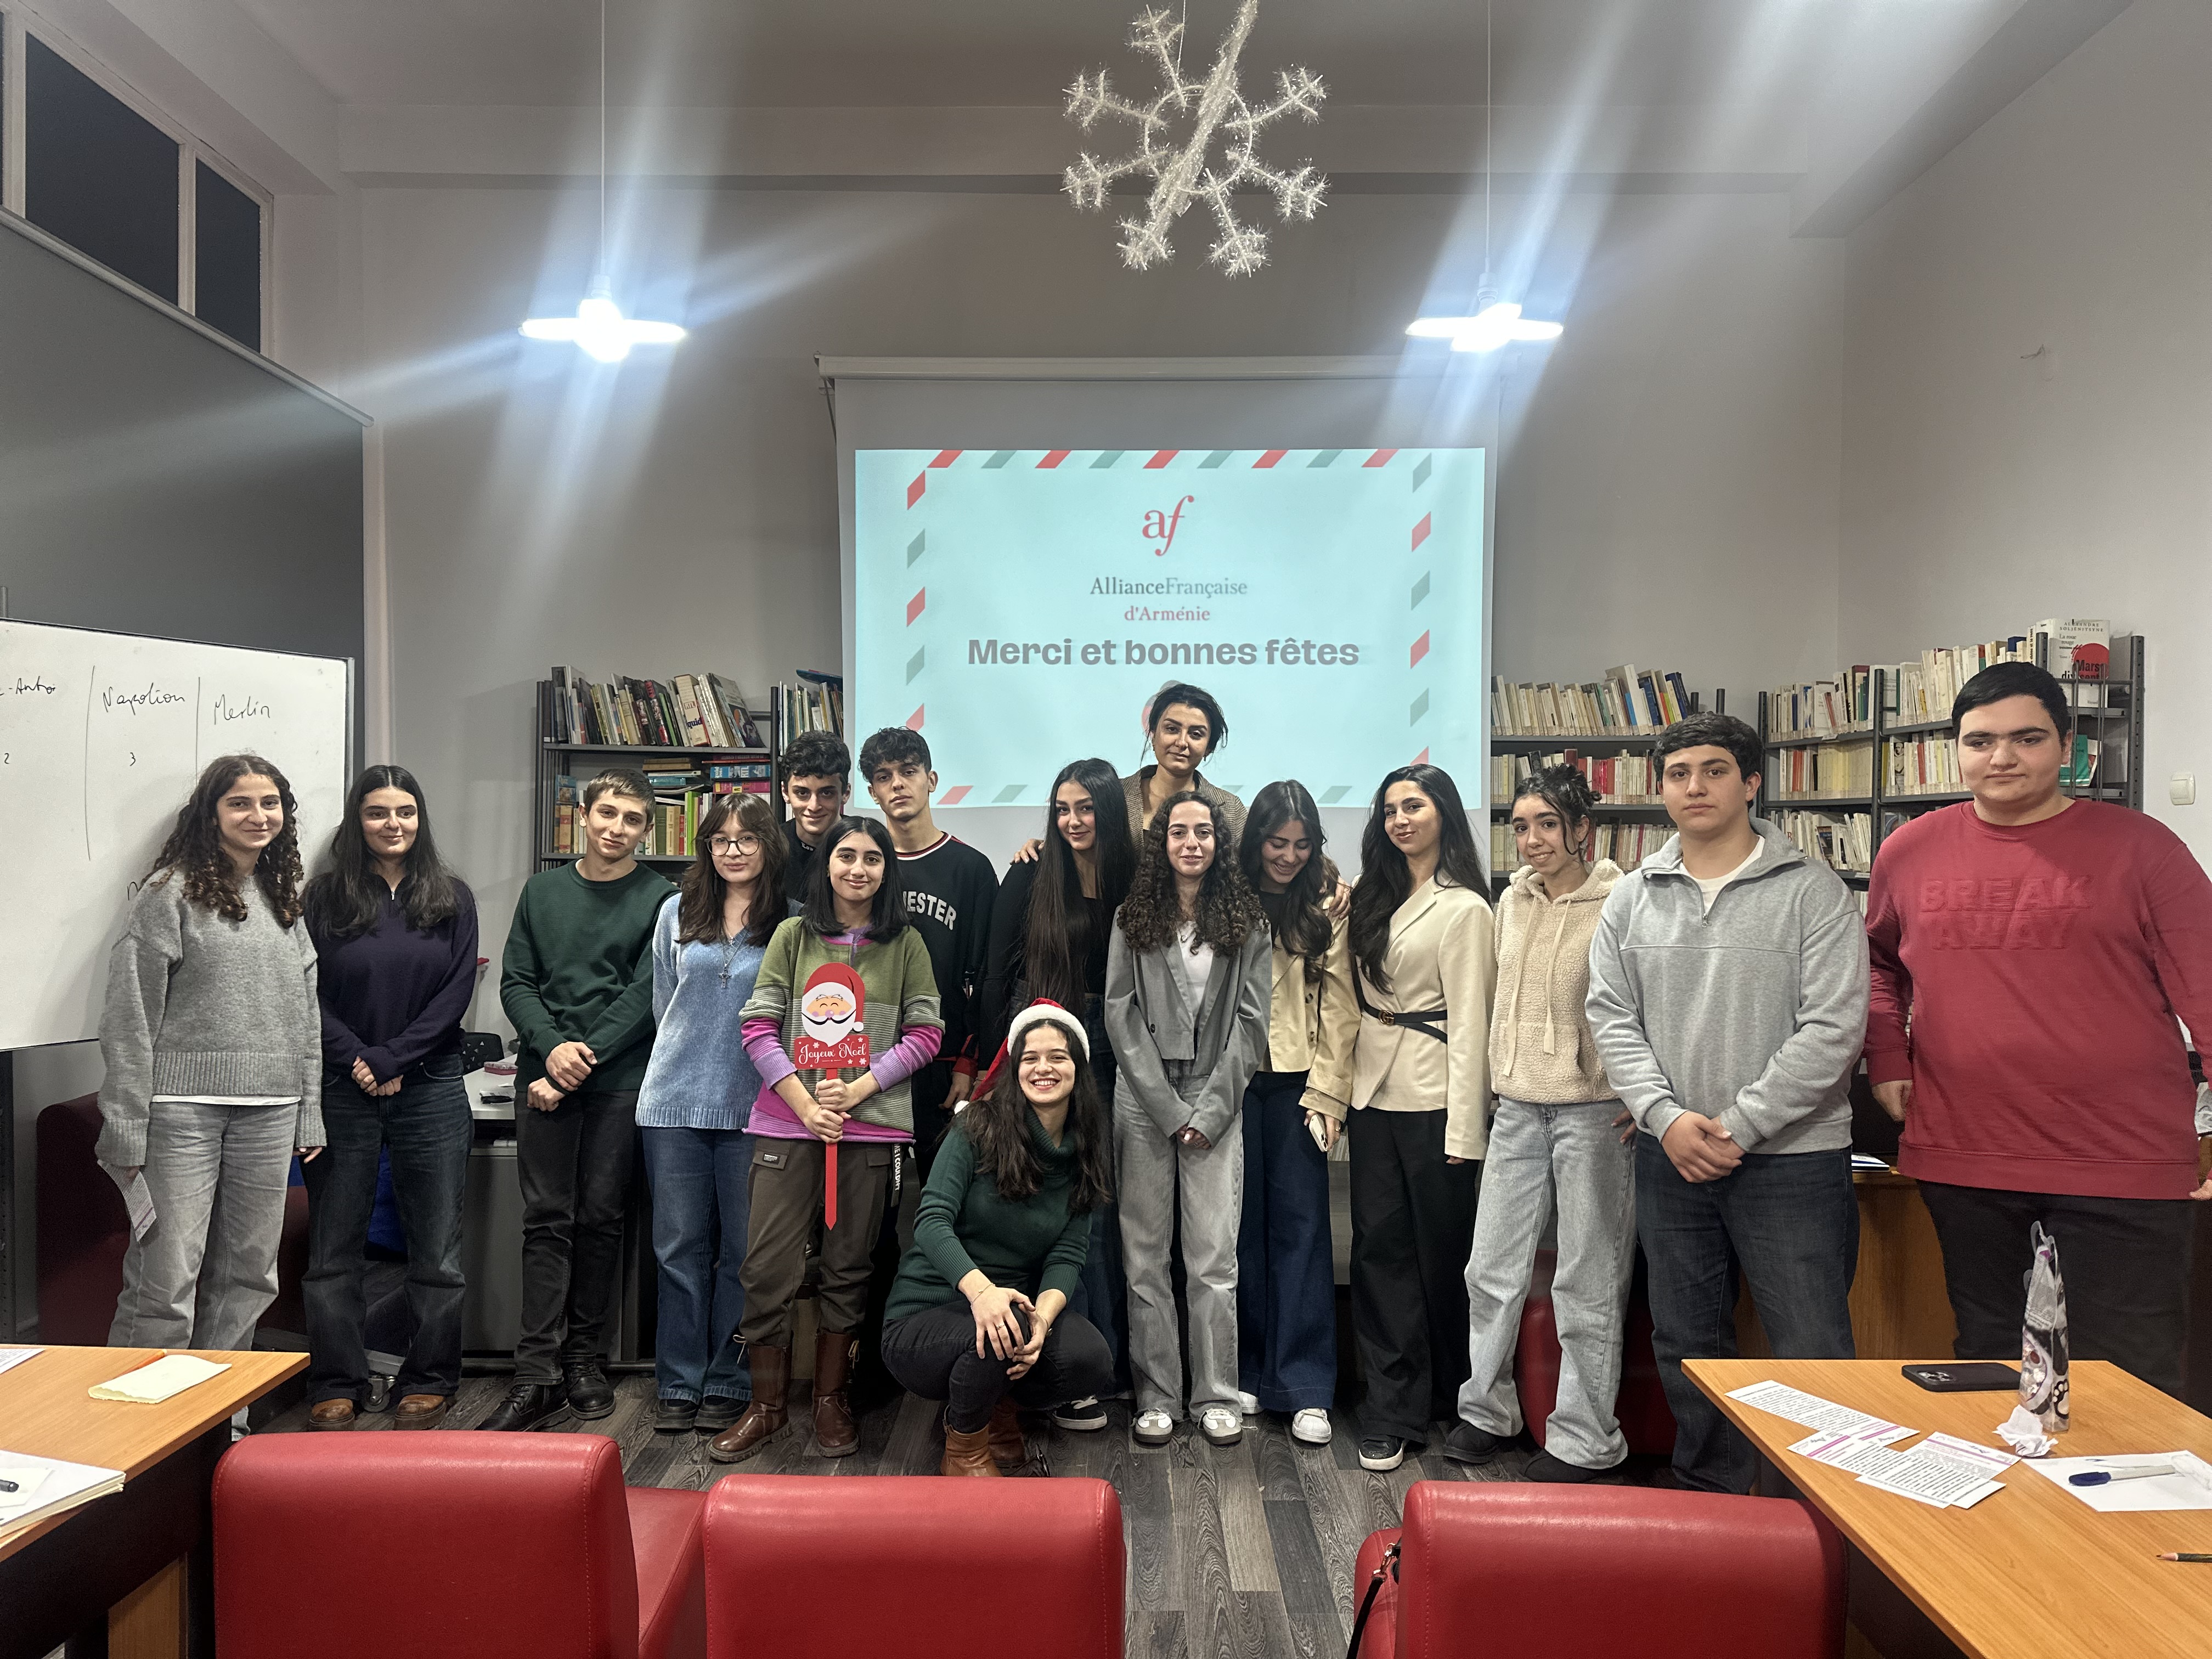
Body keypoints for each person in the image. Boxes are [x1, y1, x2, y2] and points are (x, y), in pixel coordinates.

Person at [1866, 661, 2212, 1396]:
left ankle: (2137, 1516)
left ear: (2067, 747)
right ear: (1956, 749)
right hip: (1967, 1158)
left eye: (2026, 738)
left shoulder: (2143, 848)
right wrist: (1887, 1057)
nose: (2002, 758)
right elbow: (1875, 964)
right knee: (1989, 1368)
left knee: (2130, 1382)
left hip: (2122, 1162)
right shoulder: (1909, 852)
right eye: (1980, 740)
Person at [1586, 712, 1869, 1494]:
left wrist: (1738, 1125)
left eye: (1714, 770)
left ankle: (1812, 1514)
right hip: (1669, 1153)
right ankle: (1711, 1498)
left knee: (1810, 1346)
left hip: (1793, 1161)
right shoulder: (1632, 896)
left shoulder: (1812, 891)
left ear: (1750, 783)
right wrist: (1666, 1118)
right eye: (1678, 774)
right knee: (1685, 1341)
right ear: (1660, 789)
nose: (1695, 787)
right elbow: (1610, 1015)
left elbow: (1835, 1027)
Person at [710, 816, 944, 1463]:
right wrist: (805, 1103)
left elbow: (926, 1034)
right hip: (789, 1126)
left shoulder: (907, 945)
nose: (858, 869)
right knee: (765, 1268)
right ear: (827, 865)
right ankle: (765, 1407)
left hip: (870, 1132)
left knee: (850, 1268)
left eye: (873, 859)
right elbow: (758, 1026)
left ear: (886, 871)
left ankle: (831, 1402)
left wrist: (862, 1089)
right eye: (847, 856)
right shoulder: (791, 935)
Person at [99, 754, 324, 1361]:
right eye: (240, 803)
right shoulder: (167, 893)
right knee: (166, 1280)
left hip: (273, 1110)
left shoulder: (282, 898)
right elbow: (130, 1013)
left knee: (251, 1278)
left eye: (270, 803)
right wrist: (124, 1121)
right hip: (181, 1113)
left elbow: (306, 1016)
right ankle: (143, 1430)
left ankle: (220, 1422)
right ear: (212, 813)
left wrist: (310, 1111)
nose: (258, 815)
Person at [1443, 765, 1632, 1481]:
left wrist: (1641, 1099)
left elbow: (1637, 1007)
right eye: (1520, 826)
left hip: (1594, 1116)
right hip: (1517, 1109)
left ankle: (1587, 1439)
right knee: (1489, 1268)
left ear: (1582, 829)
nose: (1531, 840)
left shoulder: (1622, 901)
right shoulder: (1510, 901)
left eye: (1547, 824)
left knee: (1587, 1278)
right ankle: (1487, 1411)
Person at [484, 768, 673, 1433]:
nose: (617, 828)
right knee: (546, 1221)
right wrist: (549, 1049)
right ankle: (534, 1373)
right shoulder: (542, 892)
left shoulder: (662, 899)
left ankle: (583, 1360)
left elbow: (648, 996)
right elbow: (516, 982)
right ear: (583, 817)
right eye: (607, 814)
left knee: (600, 1220)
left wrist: (575, 1063)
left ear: (647, 828)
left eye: (632, 819)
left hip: (617, 1081)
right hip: (542, 1077)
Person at [301, 765, 479, 1431]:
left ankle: (429, 1376)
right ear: (358, 821)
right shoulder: (322, 899)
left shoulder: (452, 897)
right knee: (334, 1251)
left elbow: (456, 995)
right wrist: (360, 1060)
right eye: (378, 813)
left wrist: (396, 1058)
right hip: (341, 1090)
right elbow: (304, 993)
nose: (393, 824)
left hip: (429, 1088)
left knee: (436, 1250)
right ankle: (336, 1377)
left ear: (420, 819)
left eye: (405, 811)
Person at [881, 1000, 1118, 1475]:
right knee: (998, 1326)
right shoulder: (977, 1126)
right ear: (1014, 1067)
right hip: (927, 1314)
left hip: (1011, 1315)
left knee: (1089, 1359)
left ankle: (998, 1413)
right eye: (1030, 1057)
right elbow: (931, 1221)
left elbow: (1068, 1254)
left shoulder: (1085, 1149)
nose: (1043, 1068)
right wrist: (982, 1293)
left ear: (1078, 1068)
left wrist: (1045, 1323)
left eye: (1058, 1056)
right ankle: (964, 1452)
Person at [978, 756, 1141, 1431]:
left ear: (1108, 810)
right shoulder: (1030, 870)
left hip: (1125, 1048)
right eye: (1062, 808)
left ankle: (1109, 1365)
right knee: (1058, 1199)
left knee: (1114, 1207)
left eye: (1086, 808)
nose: (1073, 821)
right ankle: (1062, 1372)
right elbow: (995, 976)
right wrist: (987, 1072)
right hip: (1046, 1051)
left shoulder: (1137, 876)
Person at [1106, 791, 1272, 1449]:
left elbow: (1254, 1023)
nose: (1192, 843)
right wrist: (1170, 1110)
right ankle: (1156, 1395)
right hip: (1144, 1099)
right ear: (1162, 842)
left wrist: (1207, 1109)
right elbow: (1119, 1014)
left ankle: (1217, 1396)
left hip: (1217, 1096)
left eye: (1204, 832)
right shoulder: (1132, 916)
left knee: (1211, 1258)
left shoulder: (1247, 920)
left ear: (1219, 842)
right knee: (1144, 1256)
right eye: (1179, 832)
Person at [1342, 763, 1493, 1472]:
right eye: (1390, 809)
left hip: (1437, 1101)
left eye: (1415, 806)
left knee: (1443, 1258)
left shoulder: (1465, 908)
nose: (1400, 819)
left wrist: (1468, 1130)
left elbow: (1472, 1025)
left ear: (1444, 815)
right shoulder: (1371, 896)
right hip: (1372, 1095)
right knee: (1379, 1254)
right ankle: (1391, 1408)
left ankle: (1453, 1398)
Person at [634, 793, 789, 1435]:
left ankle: (728, 1377)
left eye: (746, 839)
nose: (733, 850)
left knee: (744, 1253)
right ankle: (678, 1379)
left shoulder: (790, 922)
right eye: (721, 840)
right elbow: (663, 1001)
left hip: (754, 1108)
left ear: (767, 846)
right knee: (677, 1249)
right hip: (670, 1102)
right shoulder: (675, 910)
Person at [1233, 781, 1356, 1447]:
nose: (1287, 856)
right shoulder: (1226, 896)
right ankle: (1250, 1369)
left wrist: (1330, 1094)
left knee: (1304, 1232)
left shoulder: (1325, 903)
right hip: (1230, 1086)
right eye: (1277, 843)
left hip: (1300, 1086)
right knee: (1239, 1231)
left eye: (1301, 845)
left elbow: (1342, 1006)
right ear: (1256, 840)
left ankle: (1306, 1386)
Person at [859, 726, 998, 1170]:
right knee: (872, 1211)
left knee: (943, 1198)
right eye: (884, 777)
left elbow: (987, 975)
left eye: (908, 771)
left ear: (931, 780)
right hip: (867, 1060)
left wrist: (968, 1062)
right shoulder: (858, 868)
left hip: (943, 1060)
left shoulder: (971, 869)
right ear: (872, 792)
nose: (897, 783)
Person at [1124, 681, 1247, 850]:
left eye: (1195, 734)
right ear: (1153, 734)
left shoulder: (1231, 810)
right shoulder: (1115, 795)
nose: (1182, 742)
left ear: (1209, 748)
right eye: (1172, 729)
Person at [780, 729, 851, 894]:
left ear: (845, 793)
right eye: (802, 793)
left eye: (826, 793)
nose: (814, 806)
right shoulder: (770, 850)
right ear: (785, 793)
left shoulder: (866, 846)